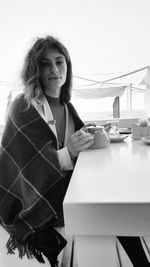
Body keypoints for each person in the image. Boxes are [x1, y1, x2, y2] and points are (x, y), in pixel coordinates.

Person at [0, 35, 149, 267]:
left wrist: (93, 138)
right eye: (45, 63)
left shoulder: (68, 107)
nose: (54, 69)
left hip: (64, 185)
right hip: (34, 198)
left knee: (112, 198)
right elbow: (26, 169)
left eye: (59, 62)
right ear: (35, 69)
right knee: (106, 211)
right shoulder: (23, 106)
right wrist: (69, 151)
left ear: (67, 67)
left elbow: (73, 147)